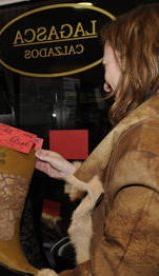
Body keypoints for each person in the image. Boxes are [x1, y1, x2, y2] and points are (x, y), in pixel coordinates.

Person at [35, 3, 159, 275]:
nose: (105, 83)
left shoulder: (145, 142)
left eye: (106, 66)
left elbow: (121, 265)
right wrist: (72, 173)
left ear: (129, 60)